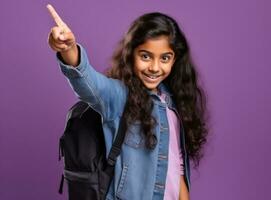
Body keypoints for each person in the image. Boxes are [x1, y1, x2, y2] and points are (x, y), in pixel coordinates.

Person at [47, 4, 208, 200]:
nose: (155, 67)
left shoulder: (172, 104)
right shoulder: (119, 96)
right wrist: (69, 49)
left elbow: (178, 167)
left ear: (175, 60)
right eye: (146, 56)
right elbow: (90, 83)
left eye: (165, 58)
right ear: (131, 54)